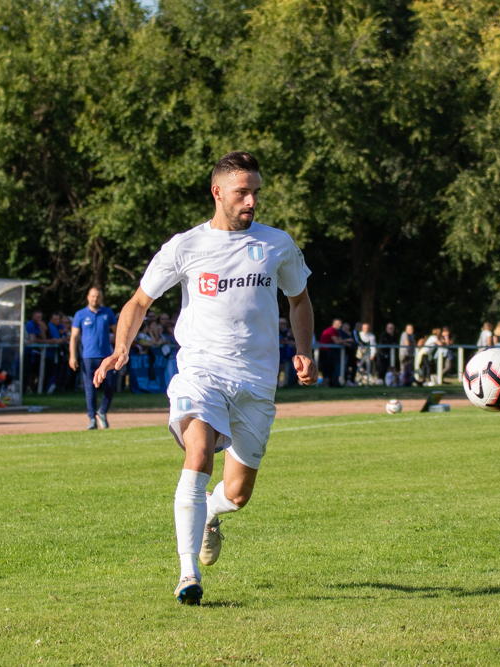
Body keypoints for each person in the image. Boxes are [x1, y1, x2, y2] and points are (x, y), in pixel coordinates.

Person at [91, 151, 317, 605]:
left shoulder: (277, 243)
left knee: (237, 494)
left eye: (255, 192)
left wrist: (305, 351)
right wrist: (121, 346)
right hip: (201, 371)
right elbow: (139, 302)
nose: (251, 201)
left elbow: (299, 301)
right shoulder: (185, 246)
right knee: (198, 455)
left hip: (256, 381)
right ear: (217, 193)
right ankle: (187, 573)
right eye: (242, 192)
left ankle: (212, 514)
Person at [69, 286, 118, 430]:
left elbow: (117, 332)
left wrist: (118, 351)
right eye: (92, 296)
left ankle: (102, 411)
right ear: (88, 297)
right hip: (88, 357)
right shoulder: (80, 314)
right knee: (90, 388)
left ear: (101, 298)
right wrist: (72, 356)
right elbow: (74, 336)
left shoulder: (107, 313)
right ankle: (92, 419)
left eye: (97, 296)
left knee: (110, 386)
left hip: (106, 357)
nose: (94, 299)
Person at [319, 319, 342, 387]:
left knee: (332, 367)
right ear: (334, 324)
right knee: (327, 367)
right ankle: (326, 382)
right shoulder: (331, 330)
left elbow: (340, 340)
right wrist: (347, 340)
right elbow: (337, 341)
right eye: (339, 324)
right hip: (326, 351)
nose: (340, 325)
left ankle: (331, 382)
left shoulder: (336, 331)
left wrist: (345, 342)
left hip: (330, 351)